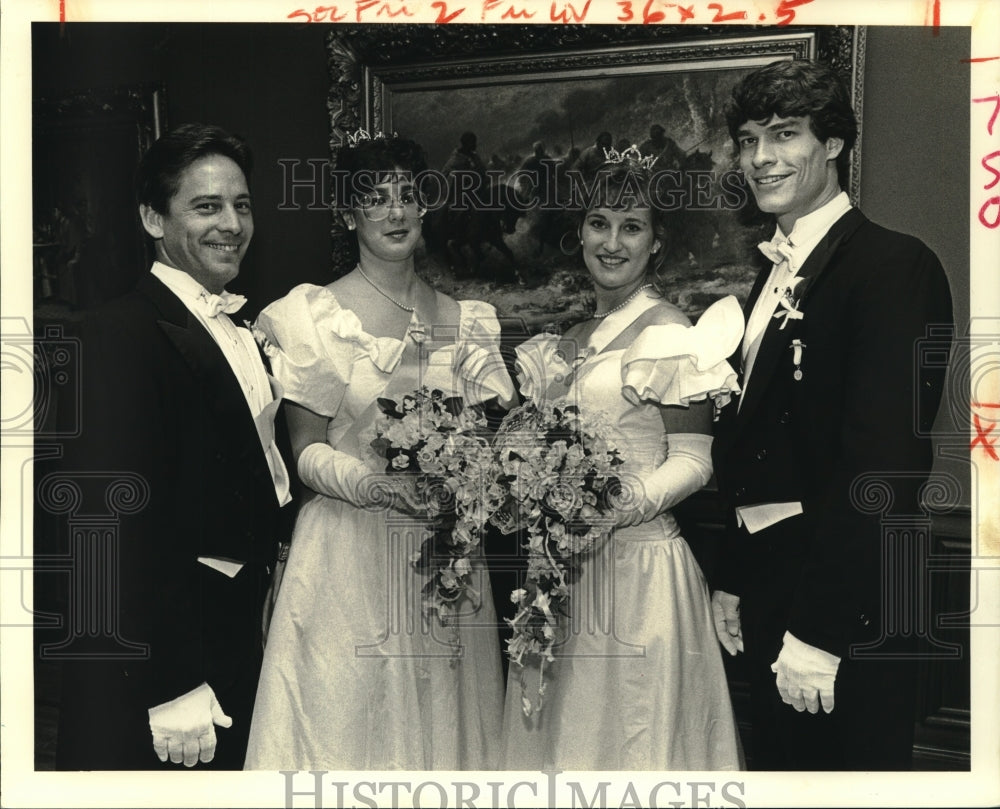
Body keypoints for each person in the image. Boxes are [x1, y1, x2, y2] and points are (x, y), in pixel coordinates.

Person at [710, 59, 953, 770]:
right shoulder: (774, 271)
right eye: (749, 139)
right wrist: (733, 574)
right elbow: (758, 438)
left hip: (843, 603)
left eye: (784, 135)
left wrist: (820, 630)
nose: (761, 158)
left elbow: (884, 463)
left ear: (835, 145)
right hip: (771, 584)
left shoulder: (892, 266)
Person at [244, 133, 515, 770]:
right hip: (348, 551)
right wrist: (374, 484)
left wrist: (474, 474)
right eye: (374, 199)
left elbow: (480, 442)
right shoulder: (315, 314)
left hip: (445, 559)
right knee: (349, 729)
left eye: (407, 195)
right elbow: (304, 453)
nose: (394, 212)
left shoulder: (467, 318)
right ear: (348, 215)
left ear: (425, 206)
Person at [54, 123, 293, 770]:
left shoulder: (236, 326)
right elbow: (103, 527)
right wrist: (169, 681)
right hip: (170, 671)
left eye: (241, 205)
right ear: (152, 218)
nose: (233, 224)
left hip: (234, 644)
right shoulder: (114, 335)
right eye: (206, 206)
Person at [498, 154, 745, 770]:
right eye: (598, 223)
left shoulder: (671, 333)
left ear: (656, 242)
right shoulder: (570, 336)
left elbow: (695, 460)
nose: (611, 242)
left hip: (640, 570)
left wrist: (617, 506)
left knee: (631, 741)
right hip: (559, 573)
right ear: (578, 232)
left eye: (631, 226)